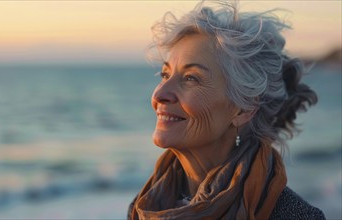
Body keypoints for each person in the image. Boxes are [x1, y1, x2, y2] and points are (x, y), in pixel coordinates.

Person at [128, 1, 326, 219]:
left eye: (190, 78)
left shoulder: (293, 216)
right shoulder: (143, 207)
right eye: (165, 75)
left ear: (243, 109)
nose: (159, 94)